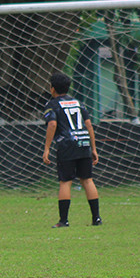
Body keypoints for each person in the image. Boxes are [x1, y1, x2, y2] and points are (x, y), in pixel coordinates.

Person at [42, 72, 102, 228]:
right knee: (87, 180)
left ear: (52, 88)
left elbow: (52, 125)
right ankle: (96, 218)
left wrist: (47, 148)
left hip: (67, 145)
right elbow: (89, 125)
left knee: (65, 182)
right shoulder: (78, 103)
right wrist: (93, 148)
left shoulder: (52, 105)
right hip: (84, 144)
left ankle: (64, 220)